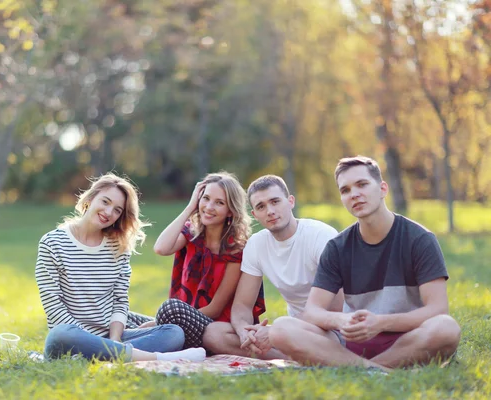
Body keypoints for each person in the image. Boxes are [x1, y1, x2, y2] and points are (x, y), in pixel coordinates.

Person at [269, 156, 461, 369]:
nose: (354, 194)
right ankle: (375, 370)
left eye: (362, 184)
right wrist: (341, 321)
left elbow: (437, 309)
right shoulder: (337, 247)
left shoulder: (419, 239)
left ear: (383, 189)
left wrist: (380, 323)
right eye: (346, 190)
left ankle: (360, 369)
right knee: (280, 329)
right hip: (353, 342)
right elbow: (313, 311)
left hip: (408, 339)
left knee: (446, 328)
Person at [35, 173, 206, 362]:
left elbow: (119, 300)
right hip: (69, 339)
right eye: (105, 202)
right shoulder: (52, 243)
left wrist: (114, 340)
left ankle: (105, 355)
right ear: (90, 199)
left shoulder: (119, 246)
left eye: (117, 210)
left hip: (110, 336)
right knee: (62, 333)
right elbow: (53, 306)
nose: (108, 212)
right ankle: (155, 358)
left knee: (174, 333)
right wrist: (91, 341)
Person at [202, 175, 340, 357]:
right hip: (291, 331)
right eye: (261, 206)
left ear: (290, 201)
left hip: (335, 329)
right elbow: (242, 306)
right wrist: (245, 331)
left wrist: (276, 333)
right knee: (214, 334)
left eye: (275, 202)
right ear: (254, 214)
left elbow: (337, 308)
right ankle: (299, 358)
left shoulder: (320, 236)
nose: (270, 211)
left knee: (283, 328)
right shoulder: (257, 244)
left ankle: (308, 354)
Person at [140, 172, 266, 349]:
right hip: (178, 321)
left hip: (211, 327)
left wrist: (156, 324)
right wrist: (190, 207)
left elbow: (215, 308)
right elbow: (161, 248)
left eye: (219, 202)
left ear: (230, 210)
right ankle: (131, 339)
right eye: (205, 198)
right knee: (130, 318)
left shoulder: (236, 250)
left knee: (170, 309)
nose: (209, 207)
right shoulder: (192, 234)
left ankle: (133, 341)